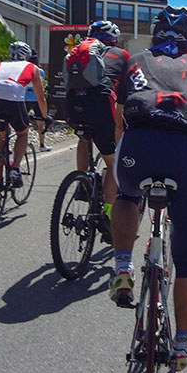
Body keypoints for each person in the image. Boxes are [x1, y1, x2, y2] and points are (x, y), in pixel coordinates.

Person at [109, 6, 187, 373]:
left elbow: (120, 122)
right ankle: (182, 344)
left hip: (139, 147)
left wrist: (123, 163)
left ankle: (122, 266)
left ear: (156, 34)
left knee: (126, 196)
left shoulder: (135, 60)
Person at [66, 20, 129, 226]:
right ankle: (108, 215)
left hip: (74, 103)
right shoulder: (121, 54)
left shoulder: (79, 51)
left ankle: (82, 181)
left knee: (84, 137)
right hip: (101, 104)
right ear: (113, 38)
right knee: (112, 163)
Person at [0, 41, 51, 187]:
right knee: (22, 133)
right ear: (27, 56)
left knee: (3, 136)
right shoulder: (33, 68)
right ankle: (15, 169)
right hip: (14, 98)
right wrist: (45, 117)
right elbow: (40, 97)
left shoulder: (0, 65)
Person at [24, 51, 52, 151]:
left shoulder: (24, 70)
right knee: (41, 123)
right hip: (36, 98)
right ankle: (42, 144)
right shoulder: (40, 72)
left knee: (24, 123)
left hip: (25, 98)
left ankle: (23, 145)